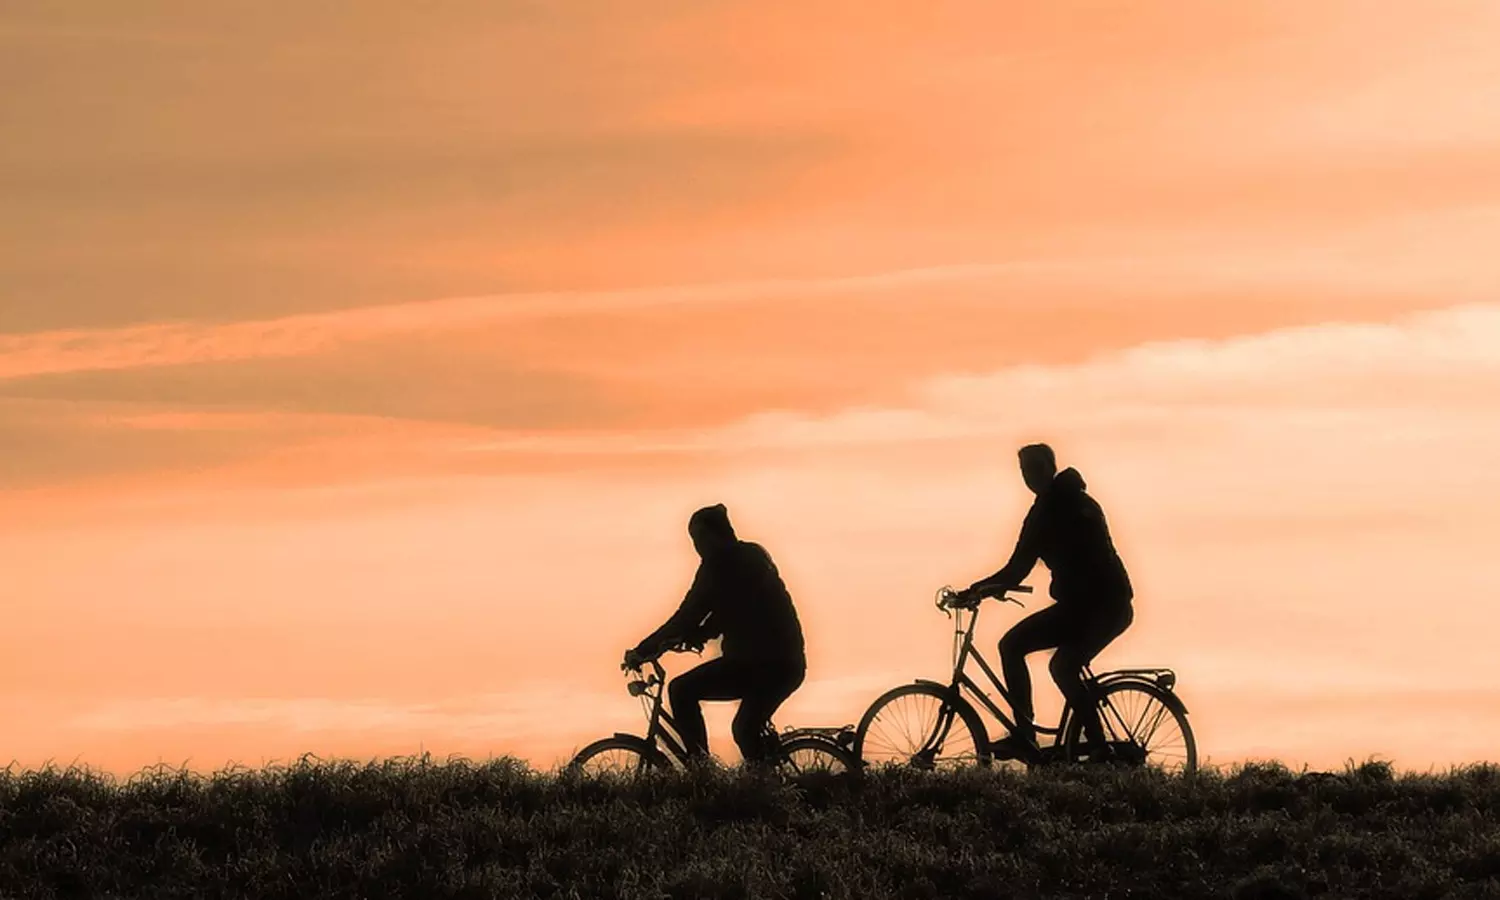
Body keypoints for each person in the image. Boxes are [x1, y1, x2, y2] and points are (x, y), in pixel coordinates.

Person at [958, 443, 1134, 764]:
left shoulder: (1054, 509)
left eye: (1035, 468)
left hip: (1099, 606)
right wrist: (984, 587)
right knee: (1048, 659)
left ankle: (1072, 744)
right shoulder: (1070, 502)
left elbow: (1017, 569)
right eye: (1025, 470)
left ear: (1050, 468)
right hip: (1095, 605)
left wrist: (977, 590)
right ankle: (1050, 740)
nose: (1030, 476)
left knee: (1036, 656)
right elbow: (1019, 566)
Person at [623, 504, 807, 767]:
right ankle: (757, 778)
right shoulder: (752, 555)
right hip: (779, 663)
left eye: (698, 539)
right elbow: (734, 608)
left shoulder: (720, 566)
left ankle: (704, 772)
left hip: (764, 665)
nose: (697, 547)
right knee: (746, 728)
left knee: (684, 692)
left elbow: (689, 614)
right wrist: (699, 634)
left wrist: (643, 650)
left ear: (714, 536)